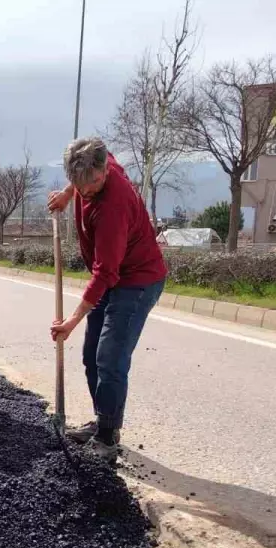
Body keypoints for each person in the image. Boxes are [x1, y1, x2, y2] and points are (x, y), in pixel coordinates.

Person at [47, 137, 168, 462]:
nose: (87, 191)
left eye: (94, 182)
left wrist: (72, 320)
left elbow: (105, 274)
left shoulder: (113, 205)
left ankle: (107, 438)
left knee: (110, 357)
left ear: (105, 170)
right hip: (113, 278)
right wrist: (67, 195)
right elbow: (81, 180)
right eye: (79, 184)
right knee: (90, 356)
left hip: (136, 280)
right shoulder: (91, 169)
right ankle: (104, 421)